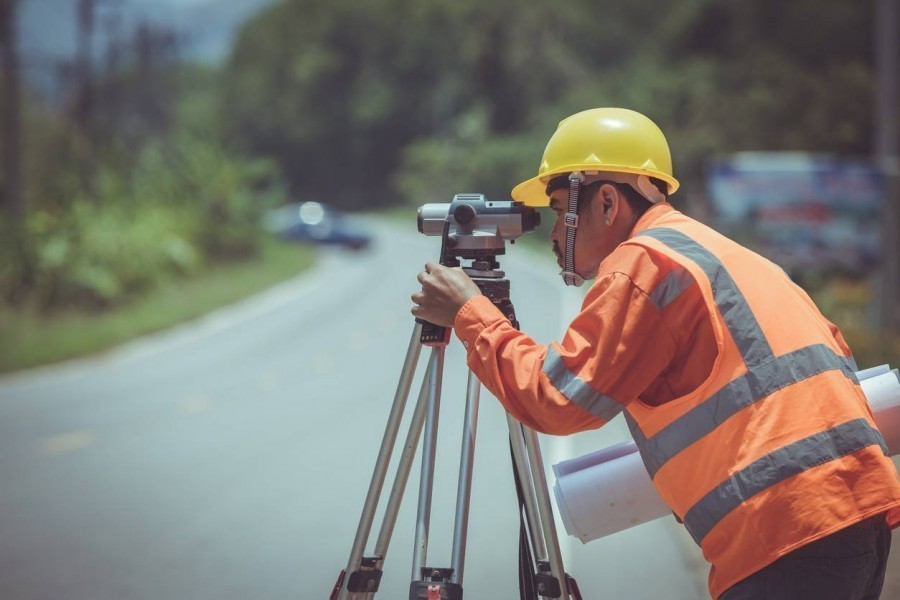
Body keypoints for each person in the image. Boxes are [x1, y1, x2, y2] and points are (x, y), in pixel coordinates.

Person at [410, 107, 900, 599]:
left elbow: (557, 398)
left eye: (561, 210)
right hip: (858, 519)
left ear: (606, 202)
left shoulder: (642, 265)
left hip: (787, 535)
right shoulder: (723, 253)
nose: (556, 233)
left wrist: (470, 312)